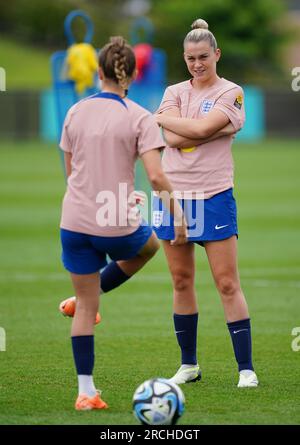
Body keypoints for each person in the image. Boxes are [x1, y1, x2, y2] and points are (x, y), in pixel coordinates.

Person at [59, 36, 187, 411]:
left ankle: (86, 392)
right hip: (114, 217)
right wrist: (178, 218)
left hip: (74, 218)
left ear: (99, 72)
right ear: (131, 75)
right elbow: (158, 178)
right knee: (148, 247)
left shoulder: (75, 111)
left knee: (85, 308)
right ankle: (92, 293)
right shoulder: (139, 116)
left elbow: (71, 173)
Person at [153, 19, 259, 388]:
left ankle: (245, 369)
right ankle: (189, 366)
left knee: (227, 283)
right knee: (181, 282)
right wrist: (214, 128)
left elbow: (191, 132)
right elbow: (168, 138)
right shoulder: (173, 89)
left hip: (213, 194)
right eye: (190, 58)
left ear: (217, 54)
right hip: (172, 197)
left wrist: (178, 124)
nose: (197, 64)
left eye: (203, 57)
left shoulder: (233, 91)